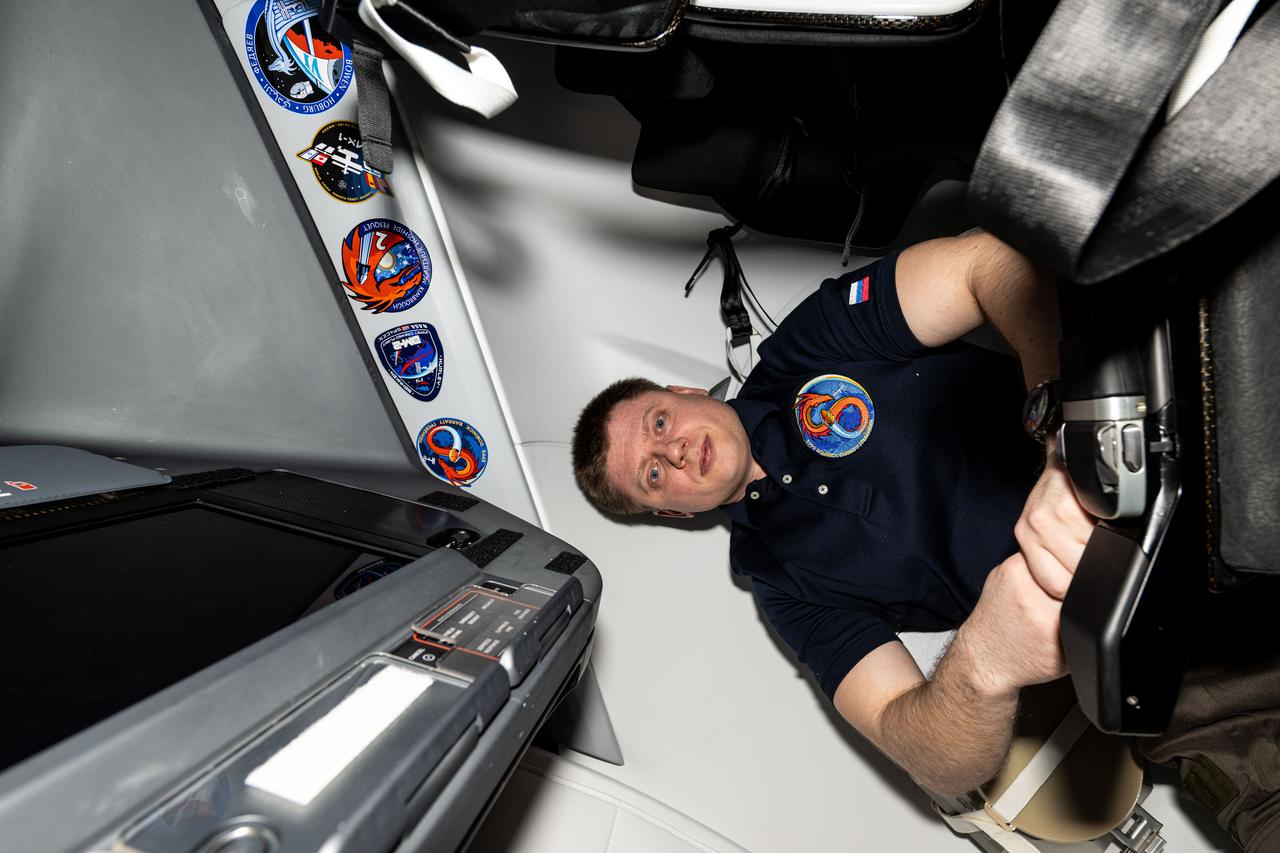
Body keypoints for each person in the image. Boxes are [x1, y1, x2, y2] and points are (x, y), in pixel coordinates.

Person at [570, 231, 1097, 797]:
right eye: (653, 475)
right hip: (1127, 603)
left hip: (1125, 422)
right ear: (672, 513)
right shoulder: (784, 588)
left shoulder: (807, 346)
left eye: (658, 422)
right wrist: (986, 665)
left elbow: (990, 260)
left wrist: (1064, 440)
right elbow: (937, 763)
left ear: (686, 390)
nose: (672, 451)